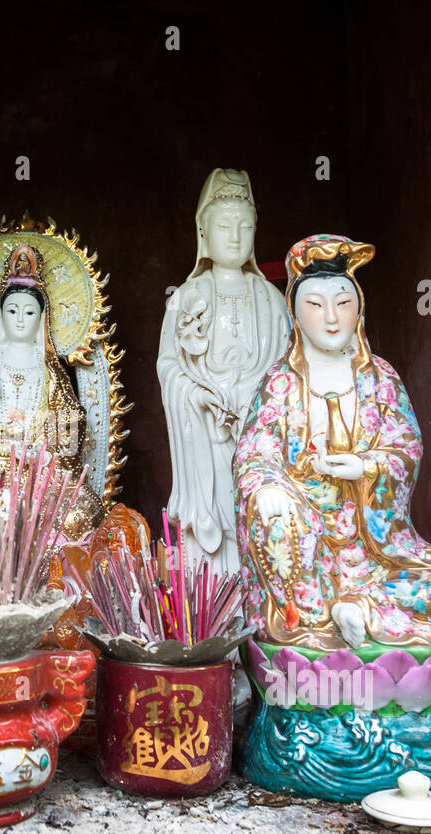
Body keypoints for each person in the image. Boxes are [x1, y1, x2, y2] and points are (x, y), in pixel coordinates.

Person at [233, 234, 431, 652]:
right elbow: (253, 451)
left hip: (378, 554)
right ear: (295, 314)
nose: (331, 317)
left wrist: (366, 467)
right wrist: (266, 487)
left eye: (343, 303)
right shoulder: (281, 382)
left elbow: (406, 446)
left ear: (359, 309)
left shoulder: (379, 378)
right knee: (279, 525)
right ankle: (318, 626)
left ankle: (362, 610)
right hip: (310, 553)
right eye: (315, 304)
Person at [158, 169, 290, 573]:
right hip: (206, 430)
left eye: (245, 226)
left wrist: (258, 399)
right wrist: (195, 394)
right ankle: (215, 600)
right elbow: (168, 367)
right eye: (224, 225)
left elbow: (288, 367)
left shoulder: (270, 297)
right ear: (203, 230)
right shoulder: (186, 296)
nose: (235, 236)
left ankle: (260, 601)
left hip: (255, 431)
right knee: (215, 517)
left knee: (258, 511)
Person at [0, 243, 101, 536]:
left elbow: (72, 421)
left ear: (41, 318)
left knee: (78, 518)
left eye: (29, 312)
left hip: (39, 474)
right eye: (12, 310)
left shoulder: (50, 373)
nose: (19, 319)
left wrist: (44, 453)